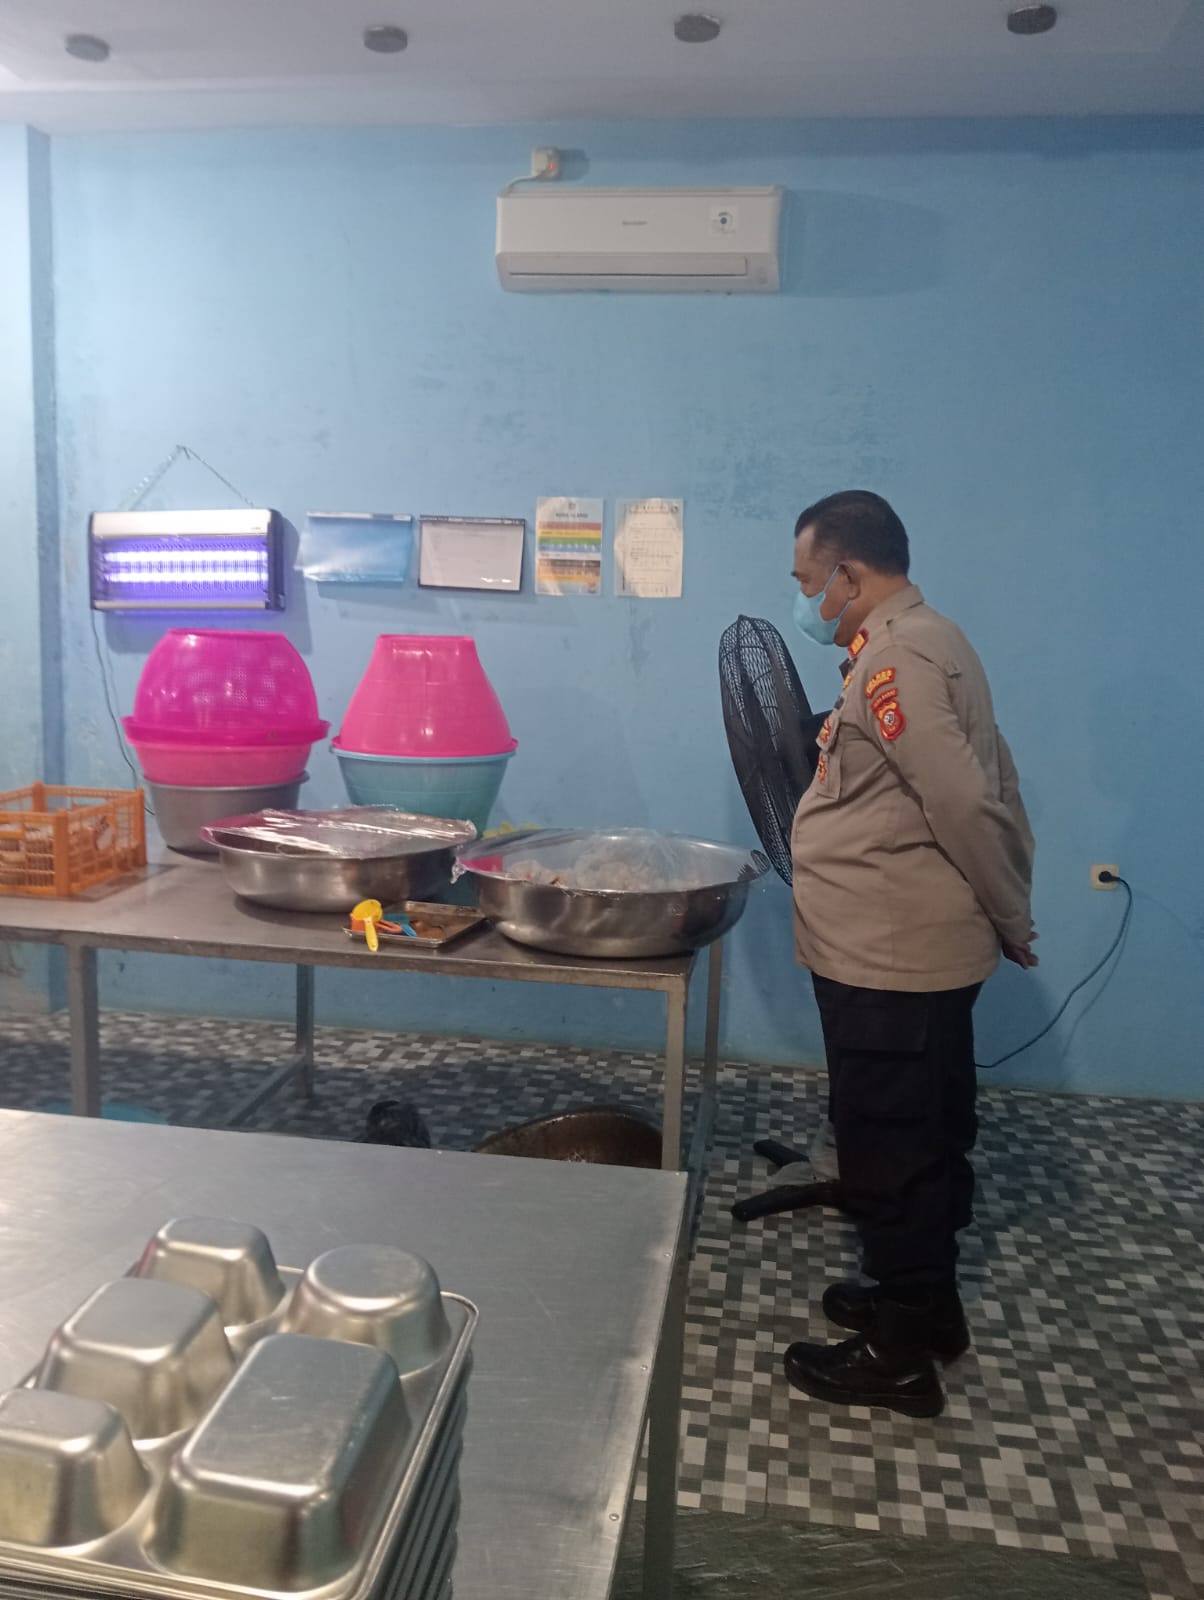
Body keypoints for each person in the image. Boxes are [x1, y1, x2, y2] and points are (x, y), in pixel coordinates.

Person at [783, 490, 1036, 1418]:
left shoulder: (897, 661)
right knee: (925, 1134)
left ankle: (897, 1356)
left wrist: (1011, 913)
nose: (806, 599)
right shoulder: (929, 638)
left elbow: (968, 801)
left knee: (890, 1148)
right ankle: (927, 1309)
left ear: (849, 574)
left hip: (888, 959)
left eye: (809, 581)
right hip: (895, 949)